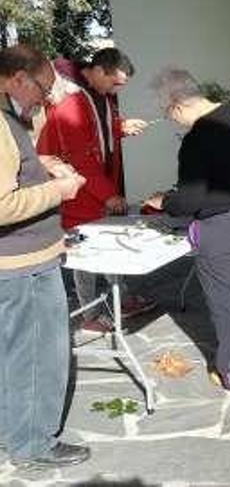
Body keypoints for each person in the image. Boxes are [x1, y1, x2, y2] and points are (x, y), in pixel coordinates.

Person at [144, 67, 230, 391]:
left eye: (167, 113)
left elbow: (191, 200)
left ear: (177, 104)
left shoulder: (196, 138)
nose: (171, 120)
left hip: (225, 228)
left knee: (225, 301)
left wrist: (165, 201)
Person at [0, 44, 90, 468]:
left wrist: (42, 162)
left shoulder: (9, 116)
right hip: (22, 266)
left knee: (14, 354)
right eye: (42, 88)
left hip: (20, 262)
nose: (45, 99)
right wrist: (60, 189)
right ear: (18, 78)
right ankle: (34, 444)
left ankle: (15, 434)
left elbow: (13, 172)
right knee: (37, 354)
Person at [36, 48, 155, 331]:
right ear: (100, 71)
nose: (117, 89)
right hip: (78, 191)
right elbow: (80, 158)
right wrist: (109, 194)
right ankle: (88, 316)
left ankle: (120, 298)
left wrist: (122, 127)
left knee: (109, 243)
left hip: (95, 186)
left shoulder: (98, 96)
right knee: (84, 253)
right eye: (116, 82)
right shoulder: (71, 103)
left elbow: (98, 132)